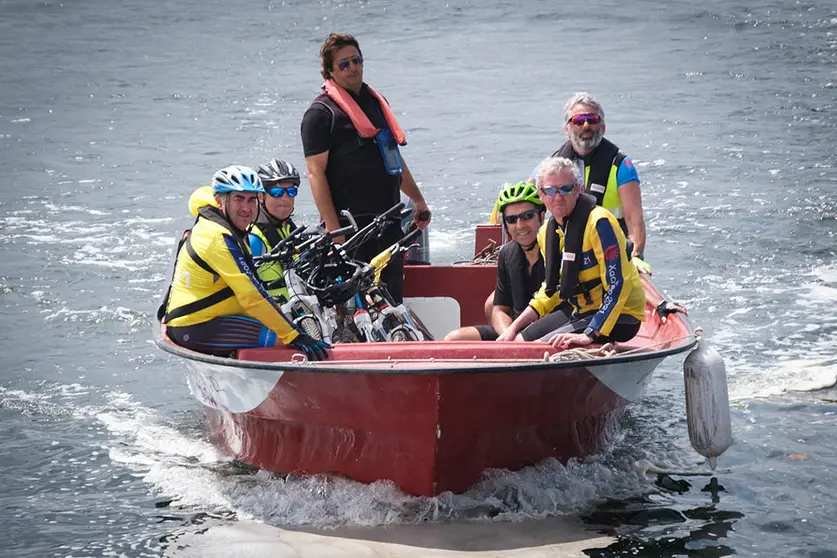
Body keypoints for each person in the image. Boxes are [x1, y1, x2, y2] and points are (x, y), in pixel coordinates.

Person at [300, 32, 431, 303]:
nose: (353, 68)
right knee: (358, 306)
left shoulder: (375, 103)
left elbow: (393, 158)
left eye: (356, 60)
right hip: (352, 229)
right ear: (330, 72)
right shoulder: (320, 115)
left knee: (391, 301)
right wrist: (334, 232)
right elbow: (315, 174)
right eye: (344, 64)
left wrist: (417, 199)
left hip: (389, 221)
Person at [160, 165, 330, 361]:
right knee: (288, 342)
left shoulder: (220, 224)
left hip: (208, 315)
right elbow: (251, 296)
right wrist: (295, 336)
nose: (246, 208)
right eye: (239, 199)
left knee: (286, 326)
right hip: (196, 324)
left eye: (252, 200)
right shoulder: (217, 238)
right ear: (220, 200)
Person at [498, 157, 646, 349]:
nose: (557, 197)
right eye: (550, 191)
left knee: (539, 348)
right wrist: (512, 328)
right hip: (582, 311)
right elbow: (551, 290)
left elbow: (618, 284)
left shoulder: (600, 223)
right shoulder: (546, 234)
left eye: (565, 189)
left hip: (622, 315)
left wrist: (591, 333)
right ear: (541, 195)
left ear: (578, 190)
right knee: (518, 342)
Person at [525, 92, 650, 274]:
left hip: (611, 253)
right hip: (565, 252)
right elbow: (524, 197)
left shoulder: (621, 166)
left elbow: (634, 221)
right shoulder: (553, 165)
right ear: (567, 129)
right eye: (578, 120)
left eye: (592, 120)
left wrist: (636, 255)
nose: (586, 125)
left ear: (603, 127)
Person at [444, 182, 546, 341]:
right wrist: (508, 335)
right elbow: (499, 309)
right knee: (454, 338)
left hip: (551, 332)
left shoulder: (557, 249)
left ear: (541, 216)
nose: (520, 225)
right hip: (516, 331)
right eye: (512, 219)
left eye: (527, 216)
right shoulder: (507, 253)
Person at [248, 158, 302, 303]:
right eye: (277, 192)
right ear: (261, 196)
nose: (285, 198)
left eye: (291, 192)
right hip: (271, 316)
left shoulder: (290, 228)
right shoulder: (254, 238)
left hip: (300, 310)